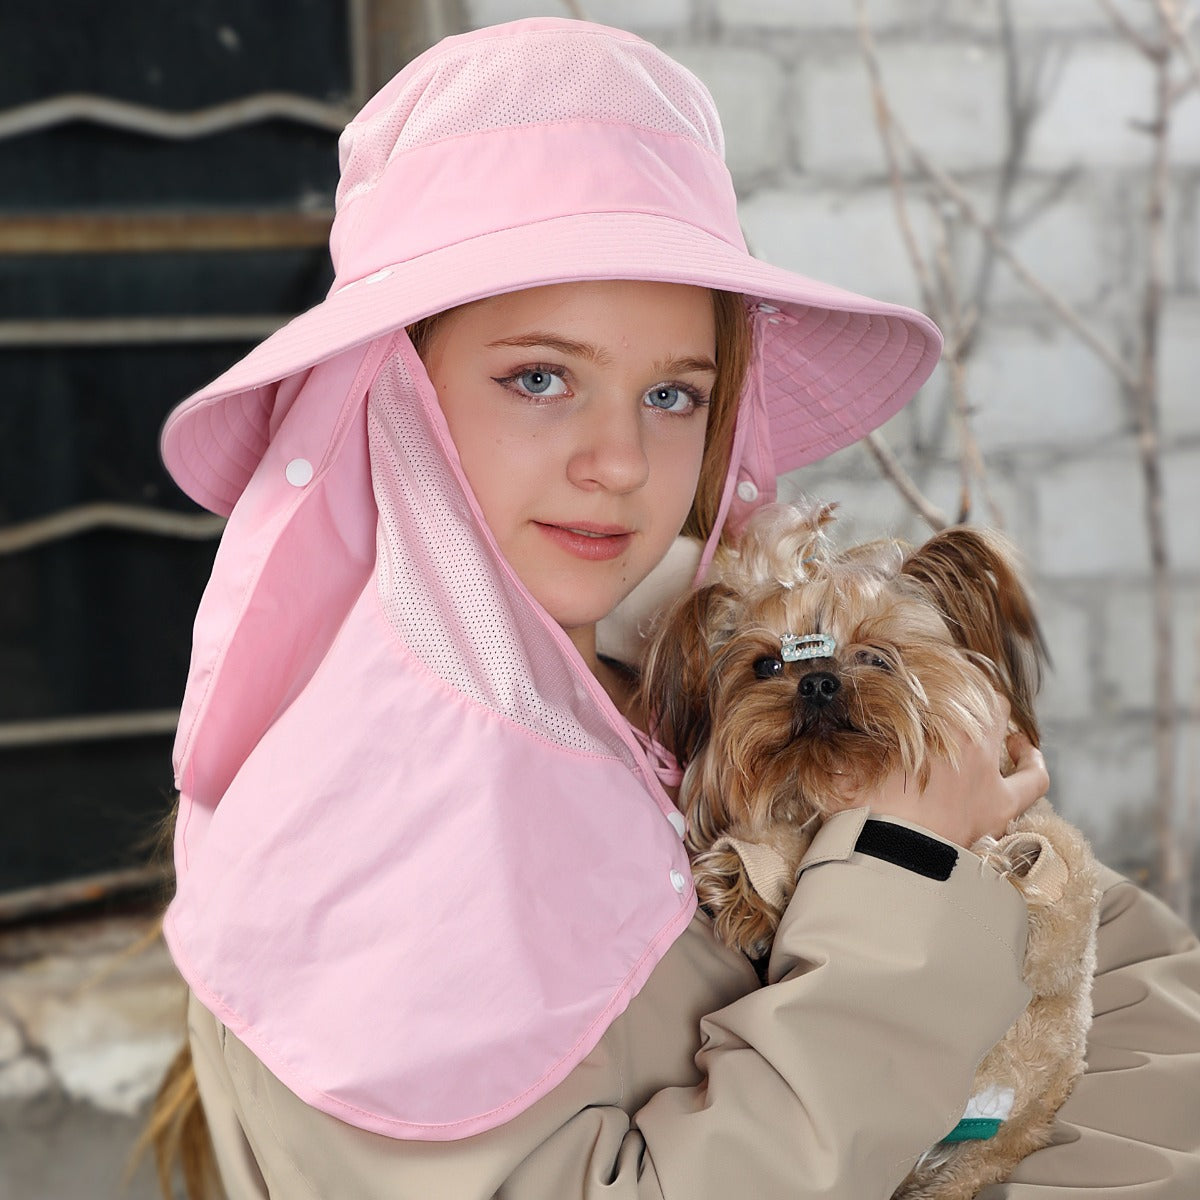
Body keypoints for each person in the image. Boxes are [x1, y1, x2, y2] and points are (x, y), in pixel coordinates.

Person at [149, 17, 1200, 1199]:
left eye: (671, 392)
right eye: (538, 377)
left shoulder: (698, 676)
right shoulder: (374, 821)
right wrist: (902, 868)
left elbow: (1130, 977)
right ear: (397, 398)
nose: (620, 461)